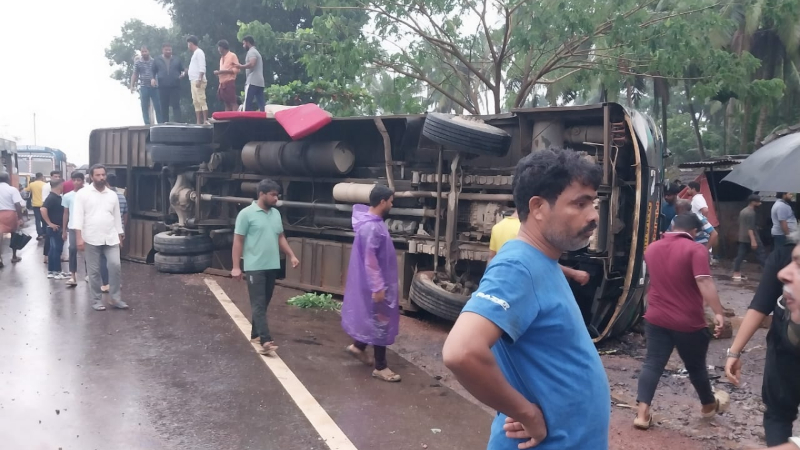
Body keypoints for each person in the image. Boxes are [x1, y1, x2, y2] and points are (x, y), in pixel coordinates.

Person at [443, 148, 610, 450]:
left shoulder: (543, 261)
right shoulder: (518, 266)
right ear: (538, 207)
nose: (593, 215)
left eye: (593, 203)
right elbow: (461, 351)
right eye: (580, 203)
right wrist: (526, 413)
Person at [633, 213, 727, 429]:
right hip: (688, 322)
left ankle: (641, 413)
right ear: (694, 232)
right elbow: (703, 281)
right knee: (696, 367)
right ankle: (708, 406)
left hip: (656, 317)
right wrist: (719, 312)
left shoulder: (653, 248)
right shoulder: (696, 249)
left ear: (673, 226)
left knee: (653, 362)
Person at [726, 230, 800, 446]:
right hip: (783, 352)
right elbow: (761, 303)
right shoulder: (783, 255)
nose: (783, 275)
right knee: (777, 411)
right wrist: (734, 351)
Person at [231, 179, 300, 355]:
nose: (276, 198)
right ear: (261, 194)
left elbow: (280, 237)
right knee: (259, 303)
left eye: (277, 195)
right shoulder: (246, 214)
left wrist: (291, 255)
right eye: (273, 195)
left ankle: (255, 334)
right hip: (254, 266)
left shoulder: (276, 214)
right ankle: (265, 340)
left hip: (272, 265)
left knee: (264, 303)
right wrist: (236, 267)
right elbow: (238, 241)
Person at [342, 185, 401, 382]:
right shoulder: (371, 227)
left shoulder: (371, 223)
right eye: (391, 201)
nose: (392, 204)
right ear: (383, 201)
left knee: (374, 318)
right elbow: (371, 260)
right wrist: (378, 286)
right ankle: (381, 367)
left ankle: (357, 347)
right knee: (381, 321)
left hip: (376, 283)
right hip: (376, 284)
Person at [72, 165, 127, 311]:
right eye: (98, 175)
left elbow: (117, 217)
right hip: (91, 238)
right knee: (94, 271)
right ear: (91, 177)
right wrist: (79, 238)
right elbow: (77, 217)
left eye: (103, 175)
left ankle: (115, 299)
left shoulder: (112, 195)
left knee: (115, 266)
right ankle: (96, 300)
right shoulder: (83, 194)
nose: (101, 178)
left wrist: (120, 234)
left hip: (111, 237)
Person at [488, 209, 590, 285]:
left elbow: (491, 258)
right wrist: (574, 273)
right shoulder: (527, 231)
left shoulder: (498, 227)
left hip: (504, 282)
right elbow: (541, 262)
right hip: (525, 283)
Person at [733, 194, 767, 280]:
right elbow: (750, 228)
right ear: (753, 202)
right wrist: (753, 240)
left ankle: (736, 273)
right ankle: (769, 273)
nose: (759, 203)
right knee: (761, 255)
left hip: (742, 237)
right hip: (752, 237)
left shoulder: (743, 211)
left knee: (740, 256)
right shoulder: (751, 213)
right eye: (758, 202)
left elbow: (741, 224)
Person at [61, 171, 86, 286]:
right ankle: (72, 275)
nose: (76, 182)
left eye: (78, 180)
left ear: (82, 181)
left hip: (86, 226)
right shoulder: (67, 196)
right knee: (72, 250)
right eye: (74, 180)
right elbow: (66, 213)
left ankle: (89, 274)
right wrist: (64, 230)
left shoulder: (88, 194)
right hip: (73, 226)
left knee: (88, 250)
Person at [152, 43, 186, 123]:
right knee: (164, 106)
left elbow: (183, 69)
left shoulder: (177, 59)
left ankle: (178, 122)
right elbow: (153, 71)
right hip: (162, 86)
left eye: (169, 50)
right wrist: (152, 79)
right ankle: (165, 123)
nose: (168, 51)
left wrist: (183, 73)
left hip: (175, 85)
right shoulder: (157, 60)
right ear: (162, 50)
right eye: (166, 50)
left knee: (176, 105)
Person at [41, 179, 67, 279]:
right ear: (60, 185)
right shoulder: (52, 197)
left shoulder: (54, 197)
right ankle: (56, 271)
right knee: (57, 249)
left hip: (55, 227)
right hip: (55, 227)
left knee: (52, 249)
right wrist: (50, 223)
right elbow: (43, 209)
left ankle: (52, 271)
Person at [130, 45, 162, 125]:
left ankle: (160, 123)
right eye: (142, 52)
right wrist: (132, 86)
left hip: (154, 87)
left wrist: (155, 80)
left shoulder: (154, 61)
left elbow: (158, 73)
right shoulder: (138, 63)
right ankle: (147, 123)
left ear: (148, 51)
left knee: (157, 106)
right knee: (144, 106)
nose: (144, 53)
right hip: (144, 86)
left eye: (145, 51)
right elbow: (135, 74)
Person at [0, 172, 24, 268]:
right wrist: (20, 217)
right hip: (10, 214)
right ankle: (14, 256)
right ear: (7, 179)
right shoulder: (12, 189)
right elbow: (17, 204)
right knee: (14, 235)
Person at [237, 35, 266, 112]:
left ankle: (246, 121)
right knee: (261, 104)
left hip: (252, 81)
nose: (243, 46)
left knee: (247, 103)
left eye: (244, 44)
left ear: (248, 43)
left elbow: (252, 63)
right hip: (260, 82)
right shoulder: (256, 52)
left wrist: (241, 66)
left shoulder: (251, 52)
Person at [186, 36, 208, 124]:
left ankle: (205, 119)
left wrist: (199, 78)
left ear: (191, 43)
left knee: (201, 99)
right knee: (196, 101)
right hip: (193, 80)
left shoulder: (199, 52)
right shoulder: (195, 53)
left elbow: (202, 67)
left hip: (198, 80)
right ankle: (198, 121)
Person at [214, 39, 240, 111]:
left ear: (222, 47)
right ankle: (227, 120)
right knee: (226, 103)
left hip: (229, 82)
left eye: (219, 47)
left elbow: (237, 69)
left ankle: (235, 118)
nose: (218, 49)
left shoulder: (232, 55)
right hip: (222, 83)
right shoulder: (221, 58)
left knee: (233, 102)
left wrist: (222, 71)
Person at [25, 172, 46, 239]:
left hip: (35, 204)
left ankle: (39, 234)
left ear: (36, 177)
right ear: (42, 177)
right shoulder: (45, 184)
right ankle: (44, 232)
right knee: (44, 219)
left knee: (37, 220)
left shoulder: (31, 184)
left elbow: (26, 191)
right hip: (44, 204)